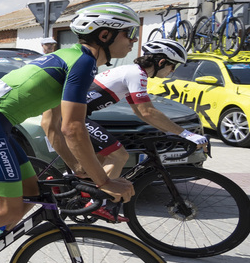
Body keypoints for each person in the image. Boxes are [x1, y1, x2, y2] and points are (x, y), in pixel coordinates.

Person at [0, 3, 139, 263]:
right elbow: (73, 128)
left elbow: (50, 124)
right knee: (8, 209)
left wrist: (76, 166)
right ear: (105, 36)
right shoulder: (83, 62)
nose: (134, 40)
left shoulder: (70, 56)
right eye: (129, 33)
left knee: (31, 194)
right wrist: (103, 180)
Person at [85, 37, 207, 182]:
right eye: (173, 66)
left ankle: (80, 191)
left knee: (98, 159)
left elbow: (139, 112)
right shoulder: (137, 74)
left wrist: (168, 130)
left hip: (77, 114)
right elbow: (147, 112)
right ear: (162, 62)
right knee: (120, 155)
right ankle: (100, 202)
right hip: (74, 116)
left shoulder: (132, 72)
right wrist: (186, 134)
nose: (172, 71)